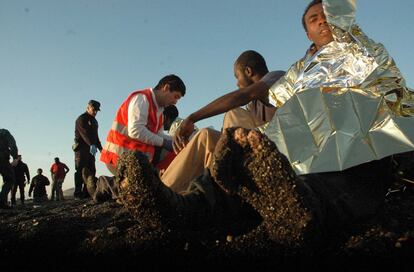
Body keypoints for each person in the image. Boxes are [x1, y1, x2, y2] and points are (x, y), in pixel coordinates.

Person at [109, 0, 414, 246]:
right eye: (313, 19)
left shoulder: (367, 54)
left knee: (328, 185)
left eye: (327, 14)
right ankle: (180, 208)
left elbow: (398, 109)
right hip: (300, 158)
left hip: (355, 160)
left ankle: (299, 213)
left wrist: (193, 116)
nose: (322, 20)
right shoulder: (300, 73)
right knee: (234, 163)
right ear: (308, 33)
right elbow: (271, 112)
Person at [160, 50, 284, 192]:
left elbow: (244, 95)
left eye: (237, 77)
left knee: (233, 113)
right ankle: (163, 191)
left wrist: (192, 118)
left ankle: (222, 184)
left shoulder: (276, 77)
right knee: (204, 136)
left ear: (248, 71)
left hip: (269, 158)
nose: (237, 83)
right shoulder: (253, 106)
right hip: (245, 155)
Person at [100, 74, 186, 173]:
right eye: (175, 97)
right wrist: (164, 142)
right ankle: (107, 184)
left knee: (176, 152)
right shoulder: (141, 99)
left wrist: (176, 140)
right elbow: (135, 131)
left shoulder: (160, 111)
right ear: (166, 88)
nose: (175, 102)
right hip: (119, 157)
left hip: (136, 158)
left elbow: (158, 135)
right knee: (139, 186)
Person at [73, 99, 102, 199]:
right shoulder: (81, 119)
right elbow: (84, 134)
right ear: (88, 108)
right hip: (81, 149)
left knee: (91, 170)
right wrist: (91, 144)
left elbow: (95, 136)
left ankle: (87, 192)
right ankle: (77, 193)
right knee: (81, 170)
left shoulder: (94, 121)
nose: (95, 112)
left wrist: (101, 148)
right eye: (93, 110)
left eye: (97, 111)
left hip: (91, 150)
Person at [0, 128, 18, 209]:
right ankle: (1, 201)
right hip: (2, 158)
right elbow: (12, 144)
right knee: (9, 179)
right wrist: (15, 157)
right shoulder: (3, 132)